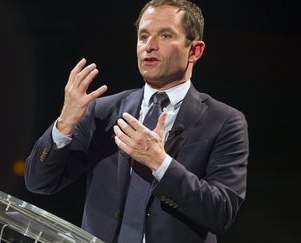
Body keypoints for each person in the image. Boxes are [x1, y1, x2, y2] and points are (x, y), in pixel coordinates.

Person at [25, 0, 248, 242]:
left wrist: (160, 163)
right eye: (143, 36)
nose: (149, 46)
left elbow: (221, 212)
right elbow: (39, 182)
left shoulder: (224, 121)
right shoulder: (103, 112)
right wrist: (64, 124)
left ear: (195, 50)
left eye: (165, 35)